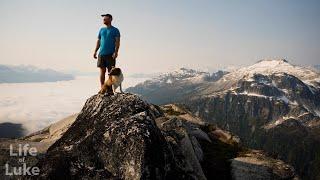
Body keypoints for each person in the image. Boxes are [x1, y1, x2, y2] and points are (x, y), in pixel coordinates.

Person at [93, 13, 120, 89]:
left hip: (111, 54)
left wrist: (116, 52)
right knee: (102, 71)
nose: (103, 20)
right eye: (103, 19)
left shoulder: (115, 30)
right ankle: (102, 88)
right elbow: (99, 41)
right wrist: (95, 51)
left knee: (111, 72)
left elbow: (117, 42)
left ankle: (110, 89)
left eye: (105, 18)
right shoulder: (101, 30)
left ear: (110, 19)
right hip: (101, 54)